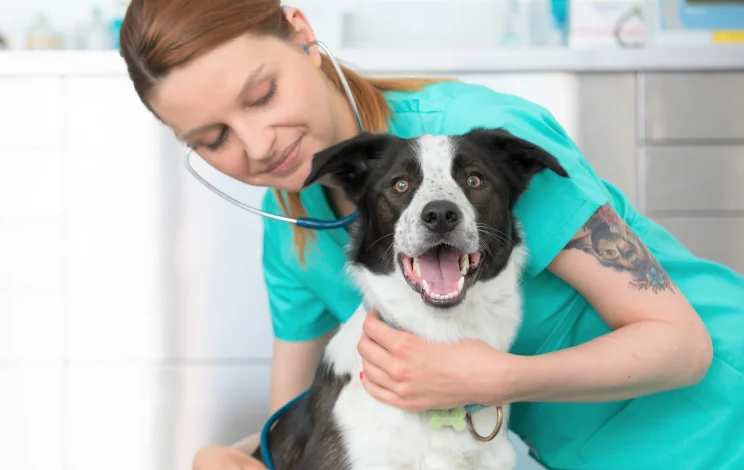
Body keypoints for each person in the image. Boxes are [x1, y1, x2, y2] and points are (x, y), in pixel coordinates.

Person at [118, 1, 744, 469]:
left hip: (721, 411)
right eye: (213, 139)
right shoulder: (293, 232)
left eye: (262, 94)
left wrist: (495, 378)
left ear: (302, 33)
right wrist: (230, 457)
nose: (257, 145)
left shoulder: (480, 144)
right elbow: (306, 420)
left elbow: (681, 345)